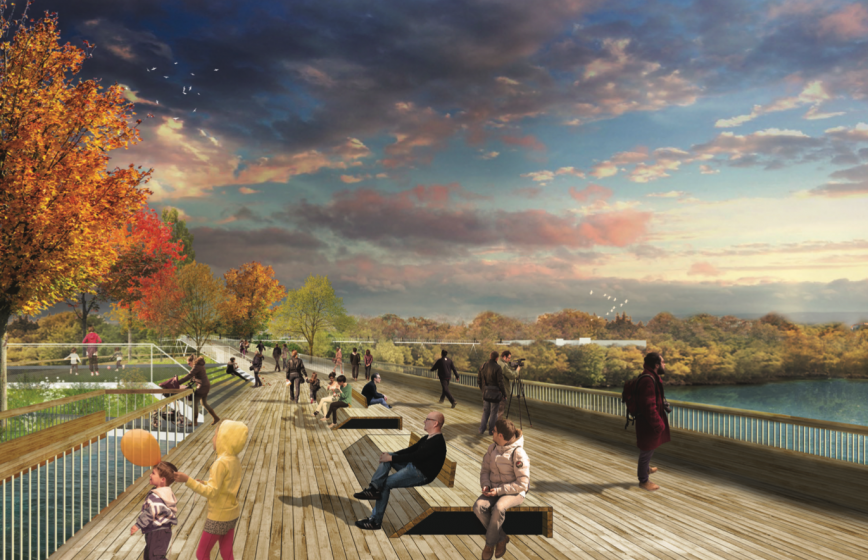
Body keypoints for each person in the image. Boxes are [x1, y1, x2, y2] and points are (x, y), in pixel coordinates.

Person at [353, 411, 447, 530]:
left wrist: (391, 458)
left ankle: (375, 521)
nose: (424, 421)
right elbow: (410, 450)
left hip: (420, 474)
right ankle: (374, 488)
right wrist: (390, 455)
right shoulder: (428, 437)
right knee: (388, 458)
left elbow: (415, 456)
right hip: (413, 467)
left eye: (427, 419)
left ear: (435, 423)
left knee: (385, 484)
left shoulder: (437, 442)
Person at [175, 420, 249, 560]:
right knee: (227, 552)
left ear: (224, 440)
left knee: (202, 554)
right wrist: (204, 482)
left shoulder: (220, 463)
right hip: (232, 513)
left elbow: (211, 492)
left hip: (218, 517)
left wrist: (188, 480)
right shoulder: (234, 460)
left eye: (215, 436)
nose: (212, 439)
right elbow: (224, 486)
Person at [472, 418, 530, 560]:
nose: (492, 432)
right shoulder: (492, 448)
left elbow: (523, 484)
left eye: (494, 431)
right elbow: (485, 470)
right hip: (494, 489)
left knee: (499, 508)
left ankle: (489, 545)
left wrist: (499, 491)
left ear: (501, 436)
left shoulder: (518, 453)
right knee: (478, 507)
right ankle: (501, 538)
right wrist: (485, 484)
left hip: (514, 492)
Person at [635, 352, 670, 491]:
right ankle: (643, 480)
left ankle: (647, 469)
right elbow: (648, 406)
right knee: (646, 450)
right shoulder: (648, 380)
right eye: (663, 362)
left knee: (650, 447)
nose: (664, 364)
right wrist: (658, 424)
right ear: (656, 365)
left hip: (648, 422)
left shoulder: (651, 377)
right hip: (648, 423)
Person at [131, 461, 179, 560]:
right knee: (150, 556)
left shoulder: (157, 496)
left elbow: (151, 512)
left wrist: (138, 525)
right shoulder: (164, 492)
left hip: (158, 532)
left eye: (153, 473)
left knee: (155, 557)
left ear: (162, 479)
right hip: (158, 531)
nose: (150, 474)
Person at [178, 357, 220, 426]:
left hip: (202, 386)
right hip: (205, 385)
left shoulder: (196, 366)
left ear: (193, 361)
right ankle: (216, 418)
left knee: (195, 403)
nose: (188, 365)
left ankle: (195, 422)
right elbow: (197, 375)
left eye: (189, 363)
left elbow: (189, 375)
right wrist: (191, 381)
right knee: (204, 403)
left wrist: (178, 382)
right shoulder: (200, 365)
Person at [478, 351, 507, 436]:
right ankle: (491, 431)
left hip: (486, 392)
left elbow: (479, 379)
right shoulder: (497, 367)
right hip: (495, 393)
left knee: (486, 411)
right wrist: (504, 394)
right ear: (497, 358)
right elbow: (500, 382)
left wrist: (483, 390)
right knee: (494, 412)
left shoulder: (483, 366)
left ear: (490, 356)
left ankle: (481, 429)